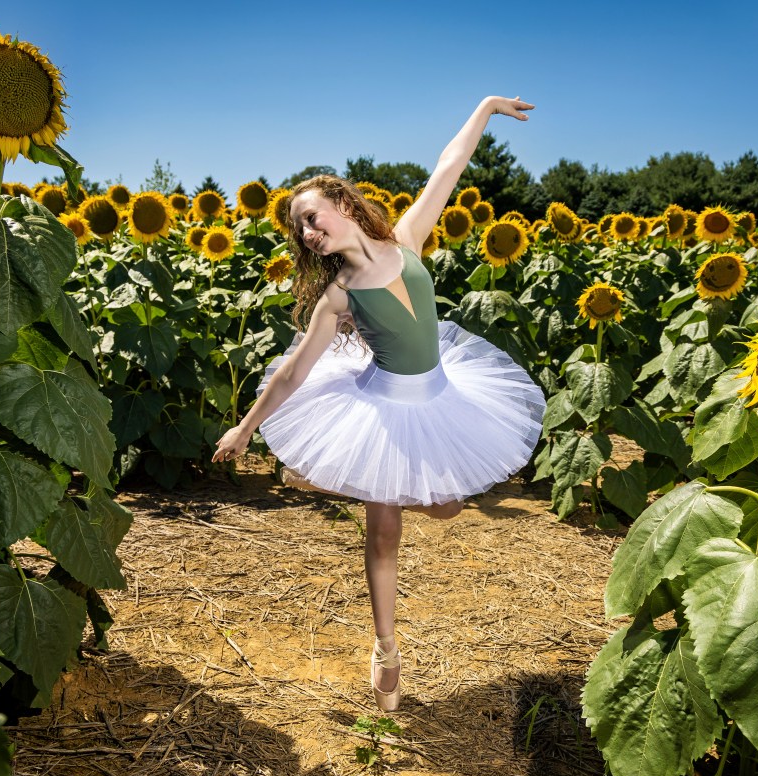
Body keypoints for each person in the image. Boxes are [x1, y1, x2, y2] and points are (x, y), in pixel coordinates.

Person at [212, 95, 546, 711]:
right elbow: (291, 373)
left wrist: (485, 109)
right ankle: (387, 647)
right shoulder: (337, 297)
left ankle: (331, 480)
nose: (310, 234)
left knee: (446, 510)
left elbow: (450, 164)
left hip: (442, 397)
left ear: (342, 203)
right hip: (381, 409)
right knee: (384, 532)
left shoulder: (409, 239)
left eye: (313, 218)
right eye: (301, 230)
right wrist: (244, 426)